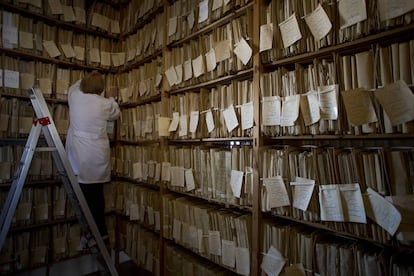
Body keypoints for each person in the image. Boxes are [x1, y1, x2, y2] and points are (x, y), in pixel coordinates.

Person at [65, 71, 120, 251]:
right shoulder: (104, 104)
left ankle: (92, 234)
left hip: (79, 156)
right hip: (96, 156)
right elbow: (116, 112)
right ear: (101, 89)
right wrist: (110, 97)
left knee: (85, 196)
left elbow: (74, 85)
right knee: (96, 196)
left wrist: (87, 78)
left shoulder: (75, 96)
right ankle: (99, 234)